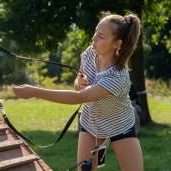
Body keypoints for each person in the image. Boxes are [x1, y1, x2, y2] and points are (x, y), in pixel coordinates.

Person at [12, 12, 143, 171]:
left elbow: (78, 97)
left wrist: (34, 91)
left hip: (120, 125)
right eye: (95, 32)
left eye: (101, 36)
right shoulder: (90, 53)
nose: (94, 38)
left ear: (117, 43)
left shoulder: (118, 76)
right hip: (91, 123)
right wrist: (78, 83)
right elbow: (79, 82)